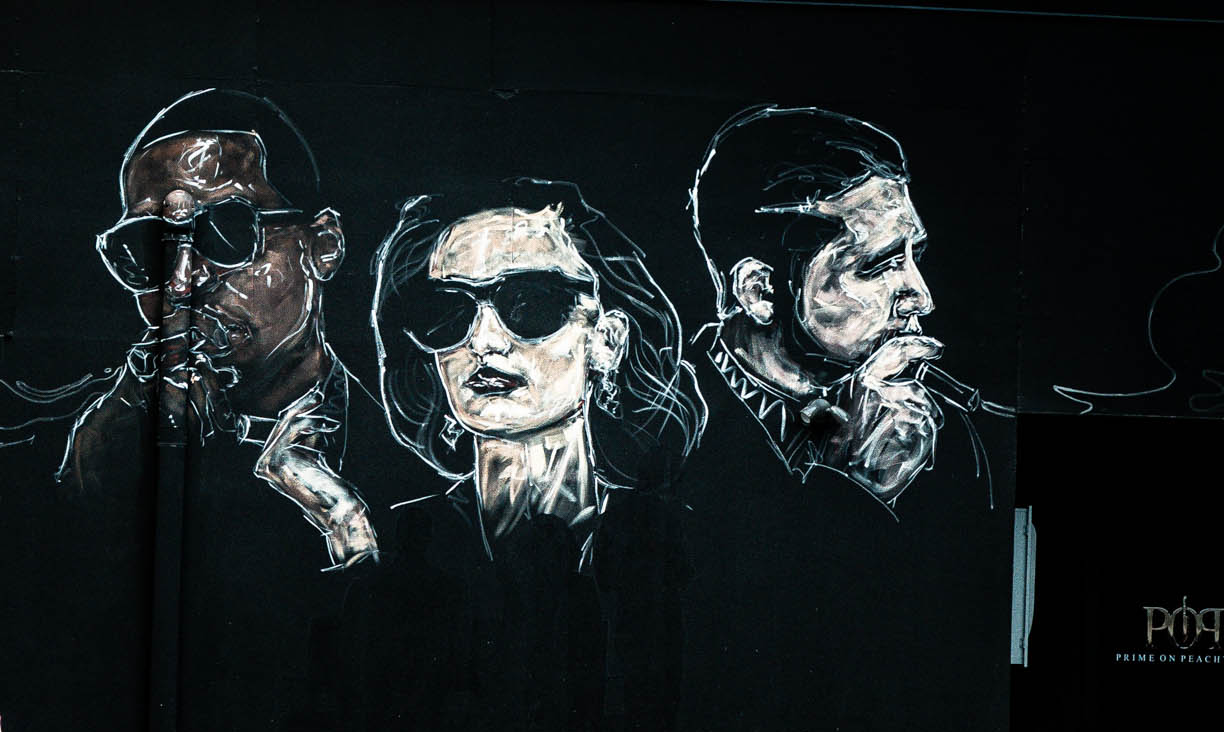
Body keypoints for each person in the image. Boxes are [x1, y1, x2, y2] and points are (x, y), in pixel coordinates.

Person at [57, 89, 377, 570]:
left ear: (322, 247)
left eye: (227, 230)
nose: (182, 282)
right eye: (150, 248)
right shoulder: (98, 445)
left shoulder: (414, 471)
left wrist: (346, 523)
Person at [372, 179, 704, 557]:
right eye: (446, 311)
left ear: (606, 340)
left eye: (531, 304)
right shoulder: (395, 548)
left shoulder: (676, 542)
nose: (484, 342)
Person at [689, 104, 985, 507]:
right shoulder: (673, 421)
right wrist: (852, 491)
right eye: (877, 265)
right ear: (759, 291)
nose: (921, 298)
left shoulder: (929, 430)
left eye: (917, 257)